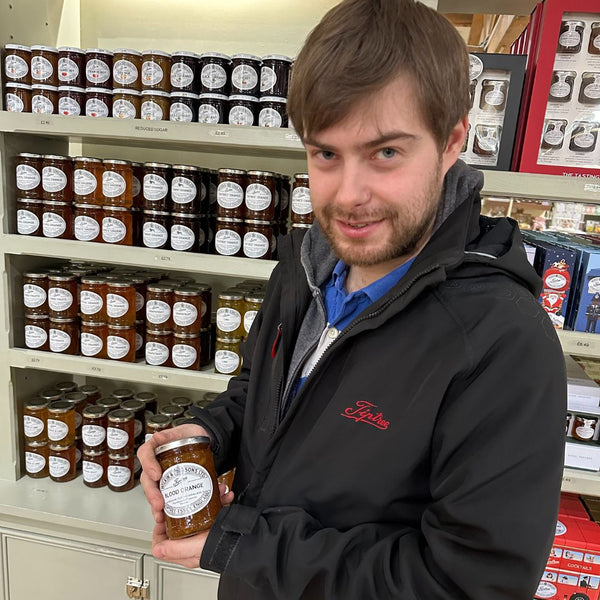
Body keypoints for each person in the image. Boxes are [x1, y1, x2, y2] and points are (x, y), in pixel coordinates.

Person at [138, 0, 566, 598]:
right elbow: (261, 396)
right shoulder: (307, 266)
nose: (348, 195)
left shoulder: (503, 343)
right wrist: (205, 437)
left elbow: (468, 586)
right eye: (326, 155)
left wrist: (245, 545)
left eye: (385, 152)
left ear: (451, 142)